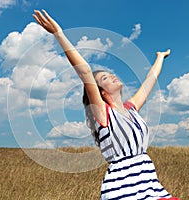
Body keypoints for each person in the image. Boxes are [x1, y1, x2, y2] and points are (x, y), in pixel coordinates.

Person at [33, 9, 179, 200]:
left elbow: (150, 80)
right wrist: (59, 34)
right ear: (101, 92)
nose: (111, 75)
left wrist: (160, 57)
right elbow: (85, 72)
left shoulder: (131, 109)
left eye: (109, 73)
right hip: (124, 188)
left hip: (149, 183)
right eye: (104, 78)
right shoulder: (103, 113)